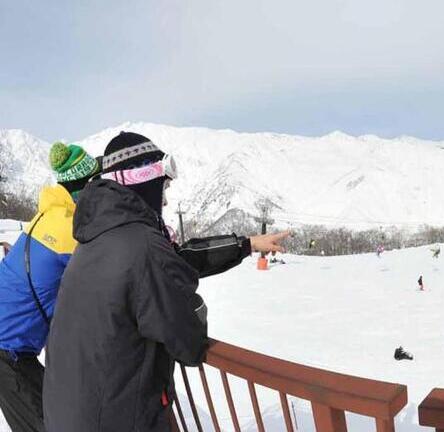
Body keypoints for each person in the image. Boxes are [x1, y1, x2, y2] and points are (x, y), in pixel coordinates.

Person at [42, 132, 289, 432]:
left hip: (69, 415)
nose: (166, 200)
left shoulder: (94, 238)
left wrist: (245, 244)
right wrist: (192, 308)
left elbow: (173, 260)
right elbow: (189, 345)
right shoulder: (142, 245)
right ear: (144, 182)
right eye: (163, 188)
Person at [0, 142, 99, 432]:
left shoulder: (45, 216)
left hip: (12, 344)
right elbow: (107, 277)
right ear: (85, 186)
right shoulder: (69, 229)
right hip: (8, 351)